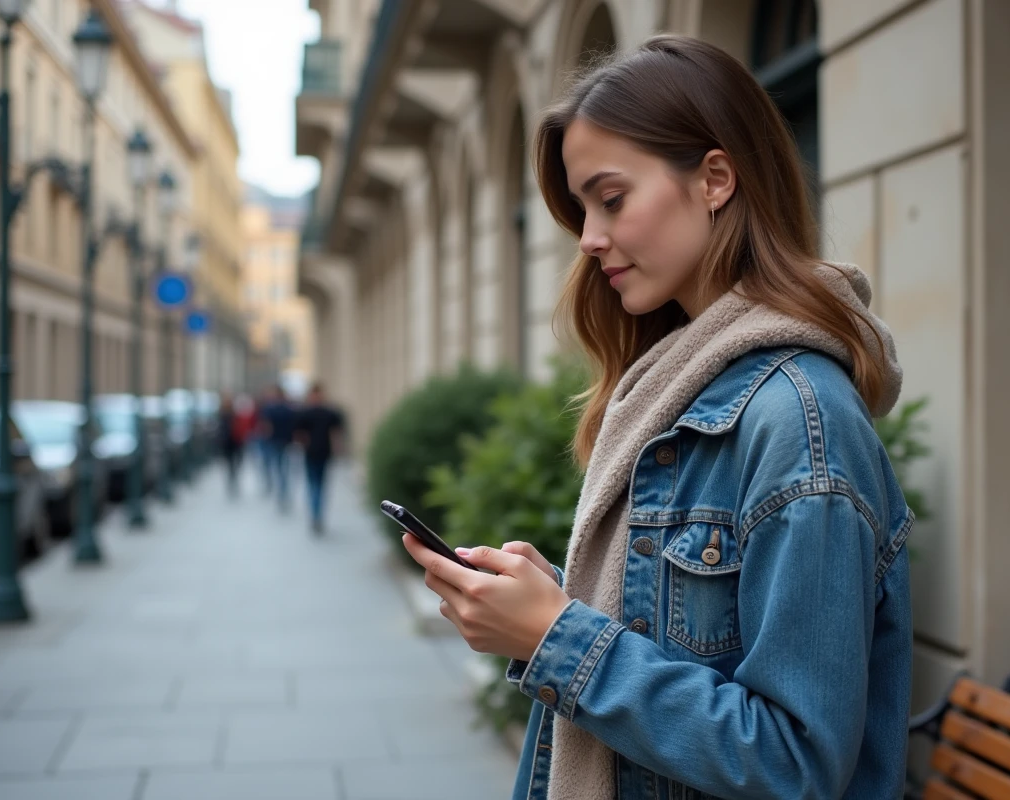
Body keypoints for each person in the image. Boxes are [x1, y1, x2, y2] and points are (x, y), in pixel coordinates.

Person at [401, 35, 913, 800]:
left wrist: (557, 636)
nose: (590, 238)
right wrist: (551, 606)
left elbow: (795, 763)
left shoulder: (798, 421)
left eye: (611, 199)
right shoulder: (672, 387)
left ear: (714, 179)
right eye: (582, 209)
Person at [294, 382, 344, 534]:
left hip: (322, 453)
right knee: (315, 486)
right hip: (312, 453)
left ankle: (317, 515)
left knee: (318, 486)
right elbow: (299, 434)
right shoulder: (309, 413)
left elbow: (336, 433)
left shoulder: (326, 412)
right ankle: (316, 515)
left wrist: (337, 447)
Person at [256, 385, 295, 511]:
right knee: (284, 469)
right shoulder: (289, 409)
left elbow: (266, 426)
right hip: (285, 442)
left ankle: (280, 491)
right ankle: (283, 492)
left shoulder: (270, 409)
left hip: (274, 442)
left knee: (277, 467)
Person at [216, 392, 243, 498]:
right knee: (229, 464)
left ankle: (233, 478)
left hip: (235, 441)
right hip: (226, 443)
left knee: (235, 463)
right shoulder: (221, 413)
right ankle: (231, 480)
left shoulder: (235, 414)